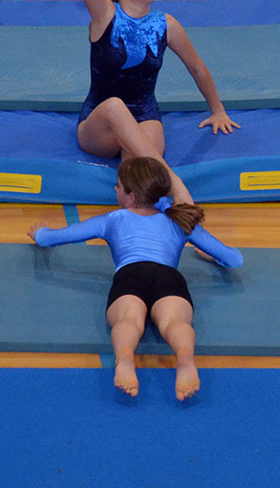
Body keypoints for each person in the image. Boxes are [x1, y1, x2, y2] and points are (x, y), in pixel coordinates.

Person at [29, 156, 242, 400]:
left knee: (129, 320)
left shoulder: (113, 219)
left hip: (131, 276)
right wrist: (214, 258)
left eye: (118, 186)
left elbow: (55, 238)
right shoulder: (179, 221)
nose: (115, 189)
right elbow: (234, 258)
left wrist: (40, 233)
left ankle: (125, 358)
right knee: (174, 322)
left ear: (130, 197)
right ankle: (185, 358)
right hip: (168, 278)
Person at [78, 0, 238, 205]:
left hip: (145, 114)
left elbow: (196, 67)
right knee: (116, 107)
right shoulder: (105, 15)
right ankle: (176, 184)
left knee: (139, 174)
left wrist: (218, 110)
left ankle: (146, 217)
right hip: (100, 121)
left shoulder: (167, 24)